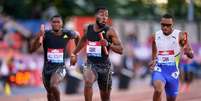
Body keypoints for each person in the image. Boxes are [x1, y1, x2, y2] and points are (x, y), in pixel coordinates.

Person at [70, 7, 123, 101]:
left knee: (105, 98)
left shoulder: (110, 31)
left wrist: (108, 44)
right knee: (88, 82)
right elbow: (82, 41)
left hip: (105, 66)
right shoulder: (88, 28)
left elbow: (121, 50)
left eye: (106, 15)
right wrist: (74, 54)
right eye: (102, 15)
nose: (104, 17)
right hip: (90, 63)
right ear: (96, 16)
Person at [30, 15, 80, 101]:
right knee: (50, 93)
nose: (56, 24)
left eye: (58, 22)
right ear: (51, 24)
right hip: (47, 68)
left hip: (60, 67)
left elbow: (78, 36)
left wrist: (75, 54)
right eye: (54, 22)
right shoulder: (46, 34)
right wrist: (39, 36)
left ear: (62, 24)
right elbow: (32, 50)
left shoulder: (67, 33)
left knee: (54, 85)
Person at [149, 14, 194, 101]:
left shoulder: (180, 35)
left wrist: (189, 53)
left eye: (168, 25)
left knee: (171, 98)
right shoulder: (155, 35)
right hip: (159, 69)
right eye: (163, 25)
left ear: (173, 24)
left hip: (173, 71)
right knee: (158, 90)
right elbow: (154, 50)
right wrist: (153, 60)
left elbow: (190, 53)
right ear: (160, 23)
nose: (165, 27)